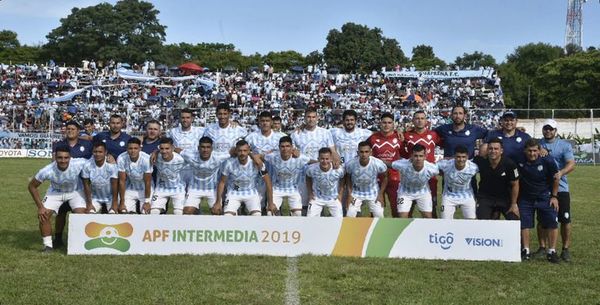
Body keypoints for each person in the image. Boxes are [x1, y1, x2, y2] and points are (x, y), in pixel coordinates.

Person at [28, 146, 87, 252]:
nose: (63, 161)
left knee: (81, 215)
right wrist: (40, 207)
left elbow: (95, 161)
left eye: (66, 158)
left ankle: (79, 244)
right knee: (43, 215)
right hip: (55, 192)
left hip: (75, 191)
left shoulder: (79, 163)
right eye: (60, 158)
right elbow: (32, 186)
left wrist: (108, 158)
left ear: (70, 157)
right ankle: (48, 246)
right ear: (55, 157)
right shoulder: (47, 170)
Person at [535, 119, 576, 262]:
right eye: (545, 128)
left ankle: (565, 249)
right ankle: (542, 247)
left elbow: (571, 164)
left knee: (565, 219)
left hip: (562, 188)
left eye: (551, 129)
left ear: (555, 131)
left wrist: (560, 173)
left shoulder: (564, 145)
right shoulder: (537, 145)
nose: (548, 131)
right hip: (543, 188)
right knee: (542, 220)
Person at [517, 139, 560, 263]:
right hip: (525, 198)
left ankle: (552, 251)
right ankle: (526, 250)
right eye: (529, 151)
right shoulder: (519, 159)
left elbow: (556, 178)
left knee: (552, 222)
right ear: (525, 150)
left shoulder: (548, 160)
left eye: (535, 151)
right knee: (524, 224)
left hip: (545, 196)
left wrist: (554, 196)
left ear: (539, 150)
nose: (532, 154)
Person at [50, 120, 92, 248]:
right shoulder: (58, 144)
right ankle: (58, 238)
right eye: (68, 129)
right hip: (63, 185)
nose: (70, 131)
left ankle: (78, 239)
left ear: (78, 131)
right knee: (61, 213)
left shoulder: (87, 144)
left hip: (81, 185)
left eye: (73, 129)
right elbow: (53, 162)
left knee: (79, 212)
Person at [291, 108, 340, 215]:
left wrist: (336, 159)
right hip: (303, 173)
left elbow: (333, 150)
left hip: (322, 172)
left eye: (313, 117)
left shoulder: (325, 133)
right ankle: (305, 227)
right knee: (305, 203)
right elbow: (294, 154)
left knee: (321, 202)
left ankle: (321, 227)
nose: (311, 119)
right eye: (308, 117)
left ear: (317, 118)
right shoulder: (296, 134)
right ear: (304, 118)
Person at [212, 140, 276, 216]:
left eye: (245, 151)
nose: (242, 153)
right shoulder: (229, 163)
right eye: (240, 151)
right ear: (236, 151)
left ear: (249, 150)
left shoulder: (257, 163)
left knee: (257, 216)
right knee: (227, 216)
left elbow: (268, 182)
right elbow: (222, 182)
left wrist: (271, 203)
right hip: (233, 192)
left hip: (251, 193)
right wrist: (218, 202)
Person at [403, 110, 442, 217]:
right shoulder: (406, 135)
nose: (420, 121)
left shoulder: (433, 135)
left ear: (426, 121)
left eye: (422, 118)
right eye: (417, 118)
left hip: (430, 177)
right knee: (408, 210)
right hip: (411, 176)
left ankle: (432, 232)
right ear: (413, 120)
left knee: (431, 209)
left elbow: (447, 144)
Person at [245, 111, 285, 213]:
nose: (265, 123)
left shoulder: (280, 137)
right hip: (258, 176)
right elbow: (243, 149)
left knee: (274, 207)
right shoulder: (251, 137)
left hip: (276, 175)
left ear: (271, 122)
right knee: (258, 205)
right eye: (262, 121)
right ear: (259, 122)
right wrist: (252, 155)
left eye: (267, 121)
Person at [264, 136, 312, 216]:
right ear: (279, 148)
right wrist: (259, 164)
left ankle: (293, 225)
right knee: (270, 213)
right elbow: (259, 157)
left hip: (293, 189)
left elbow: (313, 162)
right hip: (277, 189)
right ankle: (277, 225)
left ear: (292, 147)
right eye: (282, 146)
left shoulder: (300, 158)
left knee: (297, 214)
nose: (285, 149)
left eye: (287, 146)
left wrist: (331, 163)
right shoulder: (273, 156)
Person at [473, 138, 520, 220]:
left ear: (501, 151)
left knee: (514, 219)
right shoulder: (480, 161)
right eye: (490, 148)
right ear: (487, 150)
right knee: (482, 222)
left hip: (505, 198)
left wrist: (513, 204)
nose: (493, 151)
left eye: (496, 149)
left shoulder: (510, 164)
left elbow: (515, 184)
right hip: (485, 198)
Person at [368, 112, 404, 217]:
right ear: (380, 123)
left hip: (394, 177)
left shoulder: (399, 138)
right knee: (376, 208)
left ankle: (397, 230)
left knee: (396, 207)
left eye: (389, 123)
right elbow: (363, 150)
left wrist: (399, 131)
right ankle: (374, 231)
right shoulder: (373, 138)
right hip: (376, 178)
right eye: (384, 122)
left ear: (393, 124)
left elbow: (406, 154)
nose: (386, 125)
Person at [389, 144, 439, 218]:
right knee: (402, 217)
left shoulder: (432, 169)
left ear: (425, 156)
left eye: (421, 156)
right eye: (415, 156)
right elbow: (388, 164)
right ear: (411, 156)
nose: (418, 158)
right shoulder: (402, 164)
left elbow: (442, 172)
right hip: (405, 192)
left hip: (423, 192)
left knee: (428, 217)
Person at [181, 137, 227, 215]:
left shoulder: (218, 157)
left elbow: (234, 151)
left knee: (217, 211)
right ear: (198, 148)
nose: (205, 150)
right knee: (187, 211)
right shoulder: (190, 155)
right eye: (203, 147)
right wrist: (157, 151)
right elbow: (176, 149)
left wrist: (252, 155)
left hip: (212, 189)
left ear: (212, 148)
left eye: (208, 147)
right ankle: (198, 213)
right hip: (194, 188)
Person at [344, 141, 388, 218]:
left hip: (373, 192)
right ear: (357, 152)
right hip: (356, 192)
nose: (364, 154)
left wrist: (380, 193)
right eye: (361, 152)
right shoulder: (351, 164)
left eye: (366, 152)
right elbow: (348, 178)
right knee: (350, 214)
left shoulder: (378, 163)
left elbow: (385, 177)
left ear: (371, 152)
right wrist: (349, 194)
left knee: (379, 215)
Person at [437, 145, 479, 219]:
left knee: (471, 222)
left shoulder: (473, 167)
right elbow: (431, 167)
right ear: (454, 157)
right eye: (458, 157)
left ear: (467, 157)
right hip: (449, 196)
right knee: (444, 221)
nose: (461, 159)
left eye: (463, 157)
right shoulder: (445, 164)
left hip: (467, 196)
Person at [149, 137, 186, 215]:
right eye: (162, 149)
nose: (164, 151)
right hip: (161, 187)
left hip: (178, 188)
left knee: (178, 212)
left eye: (167, 148)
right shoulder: (155, 157)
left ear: (172, 148)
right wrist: (155, 152)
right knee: (153, 212)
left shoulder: (181, 159)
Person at [305, 148, 345, 217]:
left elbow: (343, 178)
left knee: (339, 220)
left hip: (333, 198)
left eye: (327, 159)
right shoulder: (311, 169)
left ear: (331, 159)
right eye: (322, 159)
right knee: (310, 218)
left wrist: (340, 194)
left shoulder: (338, 170)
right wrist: (310, 193)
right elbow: (308, 177)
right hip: (317, 198)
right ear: (318, 159)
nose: (324, 161)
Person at [117, 138, 153, 214]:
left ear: (140, 148)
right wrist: (122, 202)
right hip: (131, 187)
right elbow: (122, 181)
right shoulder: (121, 158)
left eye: (135, 148)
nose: (133, 151)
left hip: (145, 188)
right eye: (130, 148)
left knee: (145, 212)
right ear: (126, 148)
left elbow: (148, 182)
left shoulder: (146, 159)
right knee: (124, 211)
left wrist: (147, 201)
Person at [81, 141, 119, 214]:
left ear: (105, 152)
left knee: (113, 215)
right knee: (89, 214)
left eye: (100, 152)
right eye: (95, 152)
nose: (97, 154)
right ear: (92, 152)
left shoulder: (111, 165)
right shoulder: (87, 165)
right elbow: (86, 185)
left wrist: (114, 203)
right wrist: (89, 203)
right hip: (95, 198)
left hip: (110, 198)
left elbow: (115, 185)